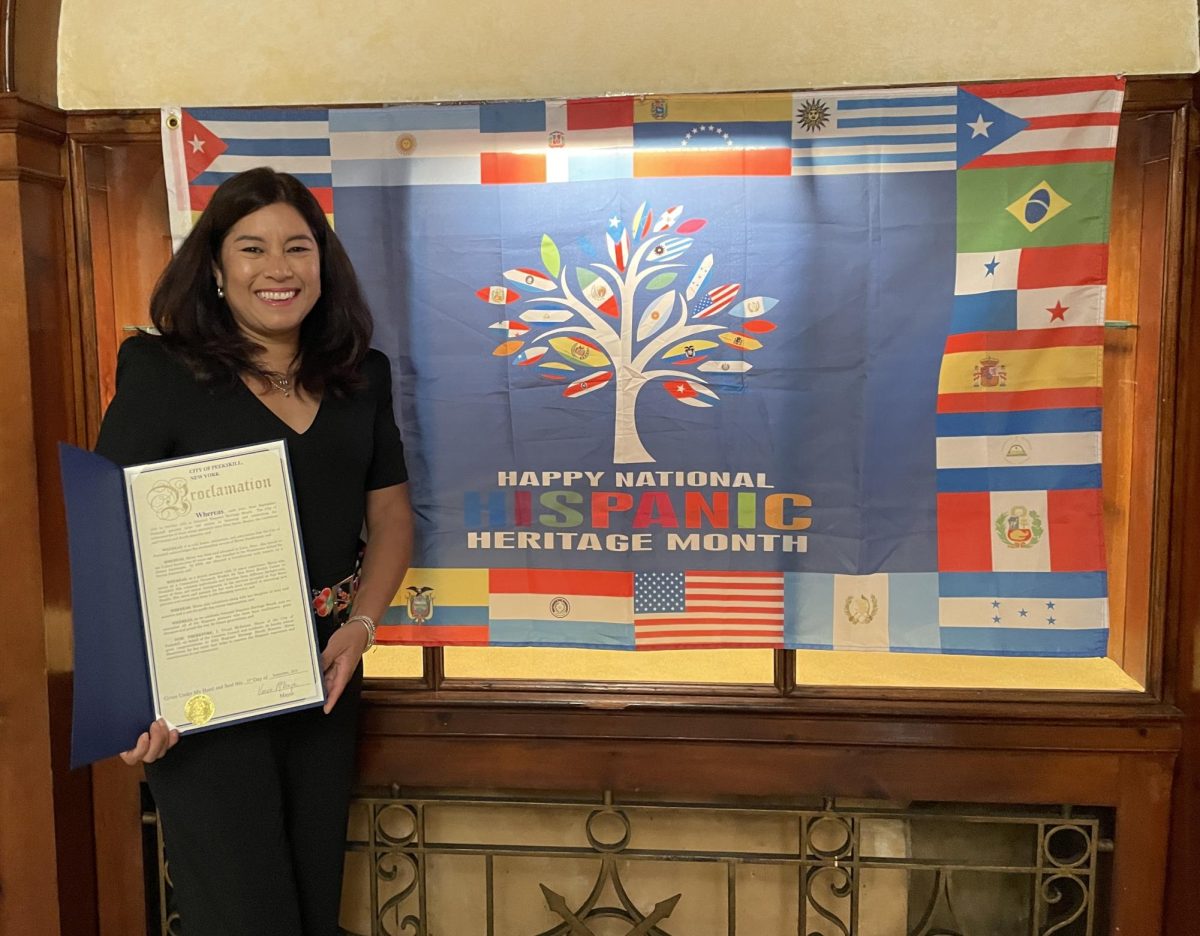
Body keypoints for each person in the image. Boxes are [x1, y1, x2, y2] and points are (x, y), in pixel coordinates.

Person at [94, 167, 413, 936]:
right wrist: (135, 695)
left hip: (322, 677)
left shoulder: (360, 376)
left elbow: (394, 516)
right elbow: (106, 533)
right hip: (204, 687)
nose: (279, 268)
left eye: (298, 247)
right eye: (252, 248)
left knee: (309, 909)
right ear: (214, 266)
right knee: (243, 916)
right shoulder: (162, 371)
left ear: (322, 263)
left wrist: (359, 631)